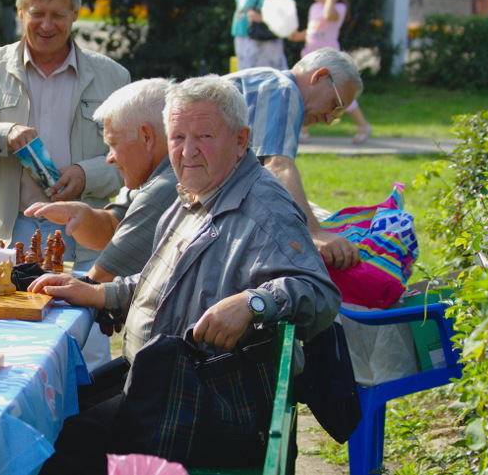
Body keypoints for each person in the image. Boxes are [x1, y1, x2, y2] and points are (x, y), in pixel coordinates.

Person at [29, 75, 341, 474]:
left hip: (210, 398)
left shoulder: (263, 209)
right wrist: (98, 295)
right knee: (54, 409)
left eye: (205, 136)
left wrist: (253, 302)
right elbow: (169, 284)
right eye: (177, 137)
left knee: (56, 446)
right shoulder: (196, 190)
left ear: (242, 139)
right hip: (159, 372)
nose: (188, 151)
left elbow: (320, 293)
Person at [0, 0, 129, 267]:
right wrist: (1, 135)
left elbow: (135, 164)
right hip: (6, 232)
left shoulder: (114, 77)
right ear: (20, 13)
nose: (47, 25)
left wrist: (86, 174)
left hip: (82, 234)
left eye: (58, 14)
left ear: (75, 15)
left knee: (78, 314)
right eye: (37, 13)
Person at [23, 78, 177, 285]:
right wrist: (80, 215)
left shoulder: (164, 188)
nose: (109, 158)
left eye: (113, 144)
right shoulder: (150, 177)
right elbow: (113, 228)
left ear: (147, 137)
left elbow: (99, 281)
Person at [226, 47, 363, 271]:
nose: (329, 119)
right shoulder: (284, 88)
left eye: (338, 115)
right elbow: (277, 167)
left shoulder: (275, 85)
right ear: (319, 76)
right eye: (334, 106)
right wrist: (315, 232)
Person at [289, 0, 373, 144]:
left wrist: (331, 0)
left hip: (329, 59)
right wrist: (297, 35)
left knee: (339, 95)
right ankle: (302, 129)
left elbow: (330, 17)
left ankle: (363, 125)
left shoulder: (337, 6)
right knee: (306, 91)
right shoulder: (314, 8)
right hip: (311, 58)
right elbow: (313, 29)